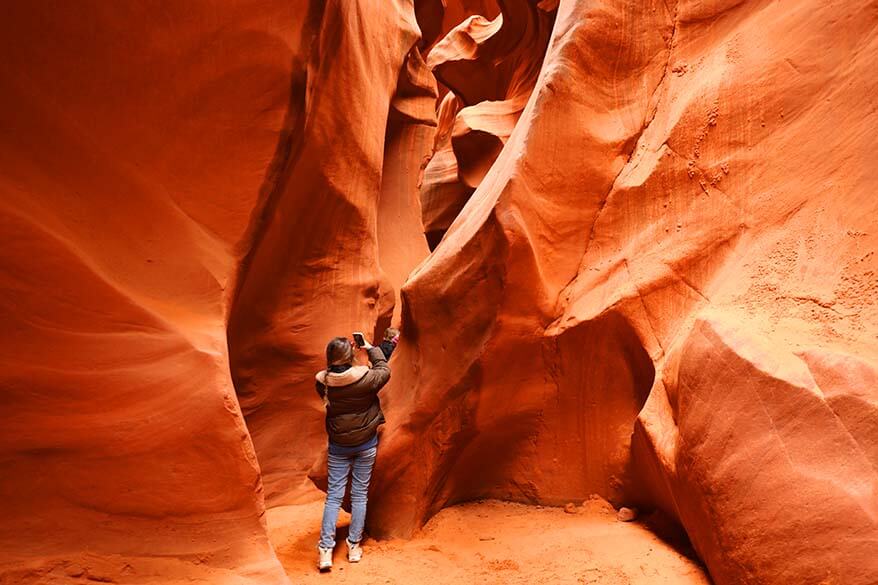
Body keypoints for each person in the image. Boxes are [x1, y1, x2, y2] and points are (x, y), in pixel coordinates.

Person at [314, 335, 390, 572]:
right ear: (351, 355)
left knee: (334, 496)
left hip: (339, 444)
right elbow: (384, 370)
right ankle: (353, 546)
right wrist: (370, 348)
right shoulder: (366, 378)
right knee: (359, 494)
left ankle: (325, 550)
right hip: (365, 443)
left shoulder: (323, 382)